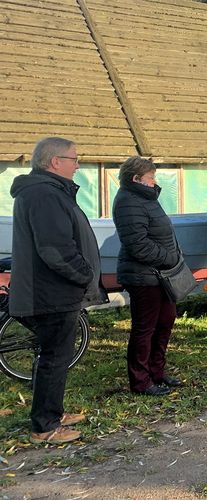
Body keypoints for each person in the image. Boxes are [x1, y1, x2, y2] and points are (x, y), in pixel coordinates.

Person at [10, 137, 107, 444]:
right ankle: (46, 427)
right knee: (53, 357)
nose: (78, 165)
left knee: (53, 356)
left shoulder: (46, 191)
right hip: (50, 293)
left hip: (51, 291)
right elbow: (55, 248)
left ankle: (52, 412)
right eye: (74, 159)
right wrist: (84, 274)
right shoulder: (43, 194)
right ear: (54, 162)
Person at [112, 156, 182, 396]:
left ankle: (157, 371)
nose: (154, 182)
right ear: (136, 179)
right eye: (151, 178)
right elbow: (137, 244)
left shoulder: (146, 198)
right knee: (145, 328)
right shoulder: (128, 202)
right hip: (143, 276)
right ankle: (141, 381)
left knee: (166, 320)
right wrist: (169, 257)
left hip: (160, 274)